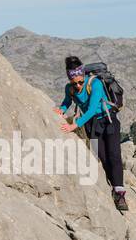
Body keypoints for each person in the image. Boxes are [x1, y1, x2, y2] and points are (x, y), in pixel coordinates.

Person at [55, 55, 128, 211]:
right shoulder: (70, 88)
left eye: (81, 82)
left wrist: (75, 125)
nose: (78, 86)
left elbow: (92, 108)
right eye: (75, 83)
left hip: (108, 121)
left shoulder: (95, 83)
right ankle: (112, 185)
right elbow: (67, 101)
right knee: (102, 157)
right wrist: (61, 110)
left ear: (84, 76)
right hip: (91, 126)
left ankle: (120, 193)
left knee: (114, 155)